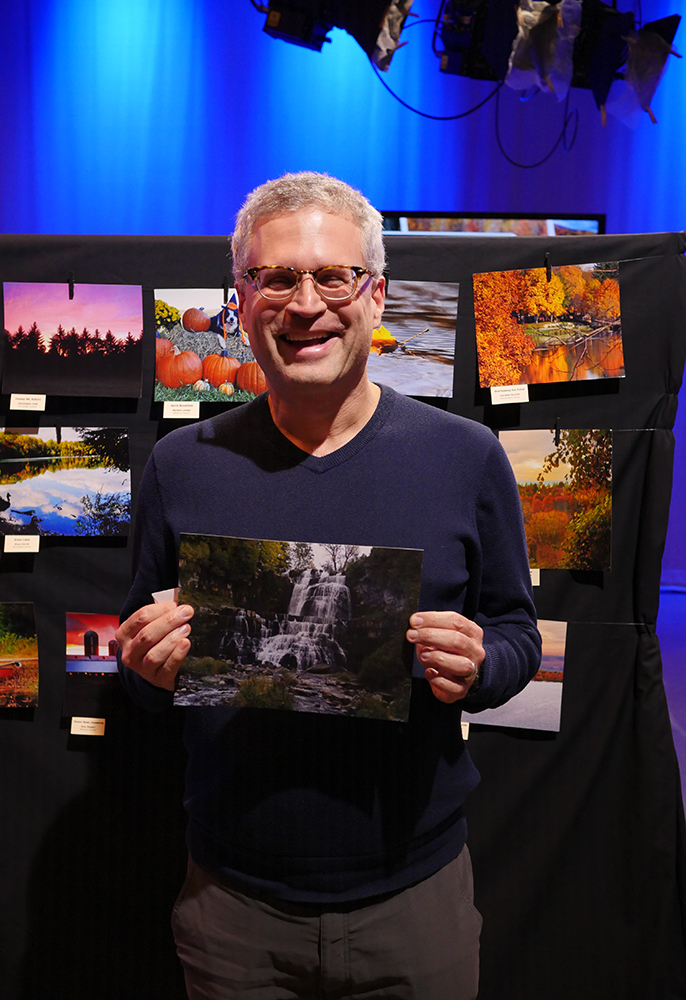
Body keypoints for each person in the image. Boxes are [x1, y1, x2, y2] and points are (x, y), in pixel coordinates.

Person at [117, 172, 541, 999]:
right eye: (276, 278)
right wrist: (147, 665)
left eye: (334, 277)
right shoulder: (181, 466)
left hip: (414, 897)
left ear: (375, 296)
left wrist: (482, 664)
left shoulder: (466, 457)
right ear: (242, 302)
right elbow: (144, 674)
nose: (305, 304)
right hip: (231, 907)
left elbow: (517, 636)